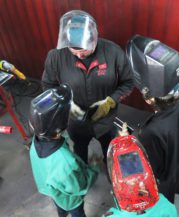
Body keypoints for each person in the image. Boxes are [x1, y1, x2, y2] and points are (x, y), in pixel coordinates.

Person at [42, 10, 134, 164]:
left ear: (94, 39)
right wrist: (65, 104)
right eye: (73, 50)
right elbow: (48, 85)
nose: (79, 55)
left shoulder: (113, 53)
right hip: (75, 123)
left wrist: (111, 101)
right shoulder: (56, 57)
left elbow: (128, 82)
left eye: (83, 50)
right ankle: (83, 172)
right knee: (79, 150)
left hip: (106, 121)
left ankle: (109, 170)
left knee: (110, 152)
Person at [126, 35, 179, 203]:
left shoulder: (151, 131)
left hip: (162, 179)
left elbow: (150, 169)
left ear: (150, 99)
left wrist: (129, 141)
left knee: (162, 201)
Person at [29, 84, 98, 217]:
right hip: (68, 195)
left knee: (58, 199)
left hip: (49, 187)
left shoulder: (36, 141)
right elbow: (78, 187)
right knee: (76, 209)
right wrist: (93, 169)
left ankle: (61, 212)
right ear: (59, 126)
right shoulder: (64, 162)